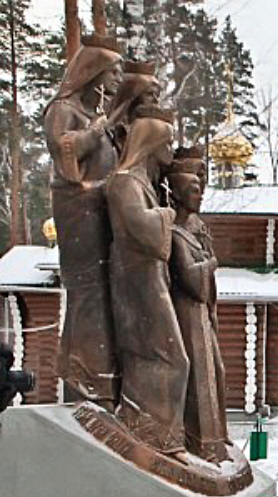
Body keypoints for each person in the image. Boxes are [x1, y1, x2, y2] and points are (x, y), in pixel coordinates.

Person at [43, 34, 124, 409]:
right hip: (78, 212)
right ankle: (83, 375)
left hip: (100, 209)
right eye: (113, 69)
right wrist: (96, 131)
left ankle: (102, 372)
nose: (118, 76)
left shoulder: (95, 113)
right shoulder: (64, 109)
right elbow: (66, 153)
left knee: (104, 291)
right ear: (94, 72)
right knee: (87, 293)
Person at [106, 107, 189, 453]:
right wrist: (169, 214)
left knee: (167, 356)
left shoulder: (144, 184)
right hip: (135, 279)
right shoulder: (126, 181)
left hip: (148, 275)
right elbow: (141, 228)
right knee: (164, 355)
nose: (171, 150)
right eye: (167, 143)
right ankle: (150, 431)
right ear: (151, 142)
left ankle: (162, 434)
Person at [167, 166, 229, 462]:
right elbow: (190, 280)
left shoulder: (193, 233)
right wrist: (210, 264)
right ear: (177, 195)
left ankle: (217, 439)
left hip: (201, 315)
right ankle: (203, 442)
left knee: (216, 371)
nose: (200, 195)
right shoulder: (176, 235)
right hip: (187, 314)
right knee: (199, 377)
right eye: (193, 190)